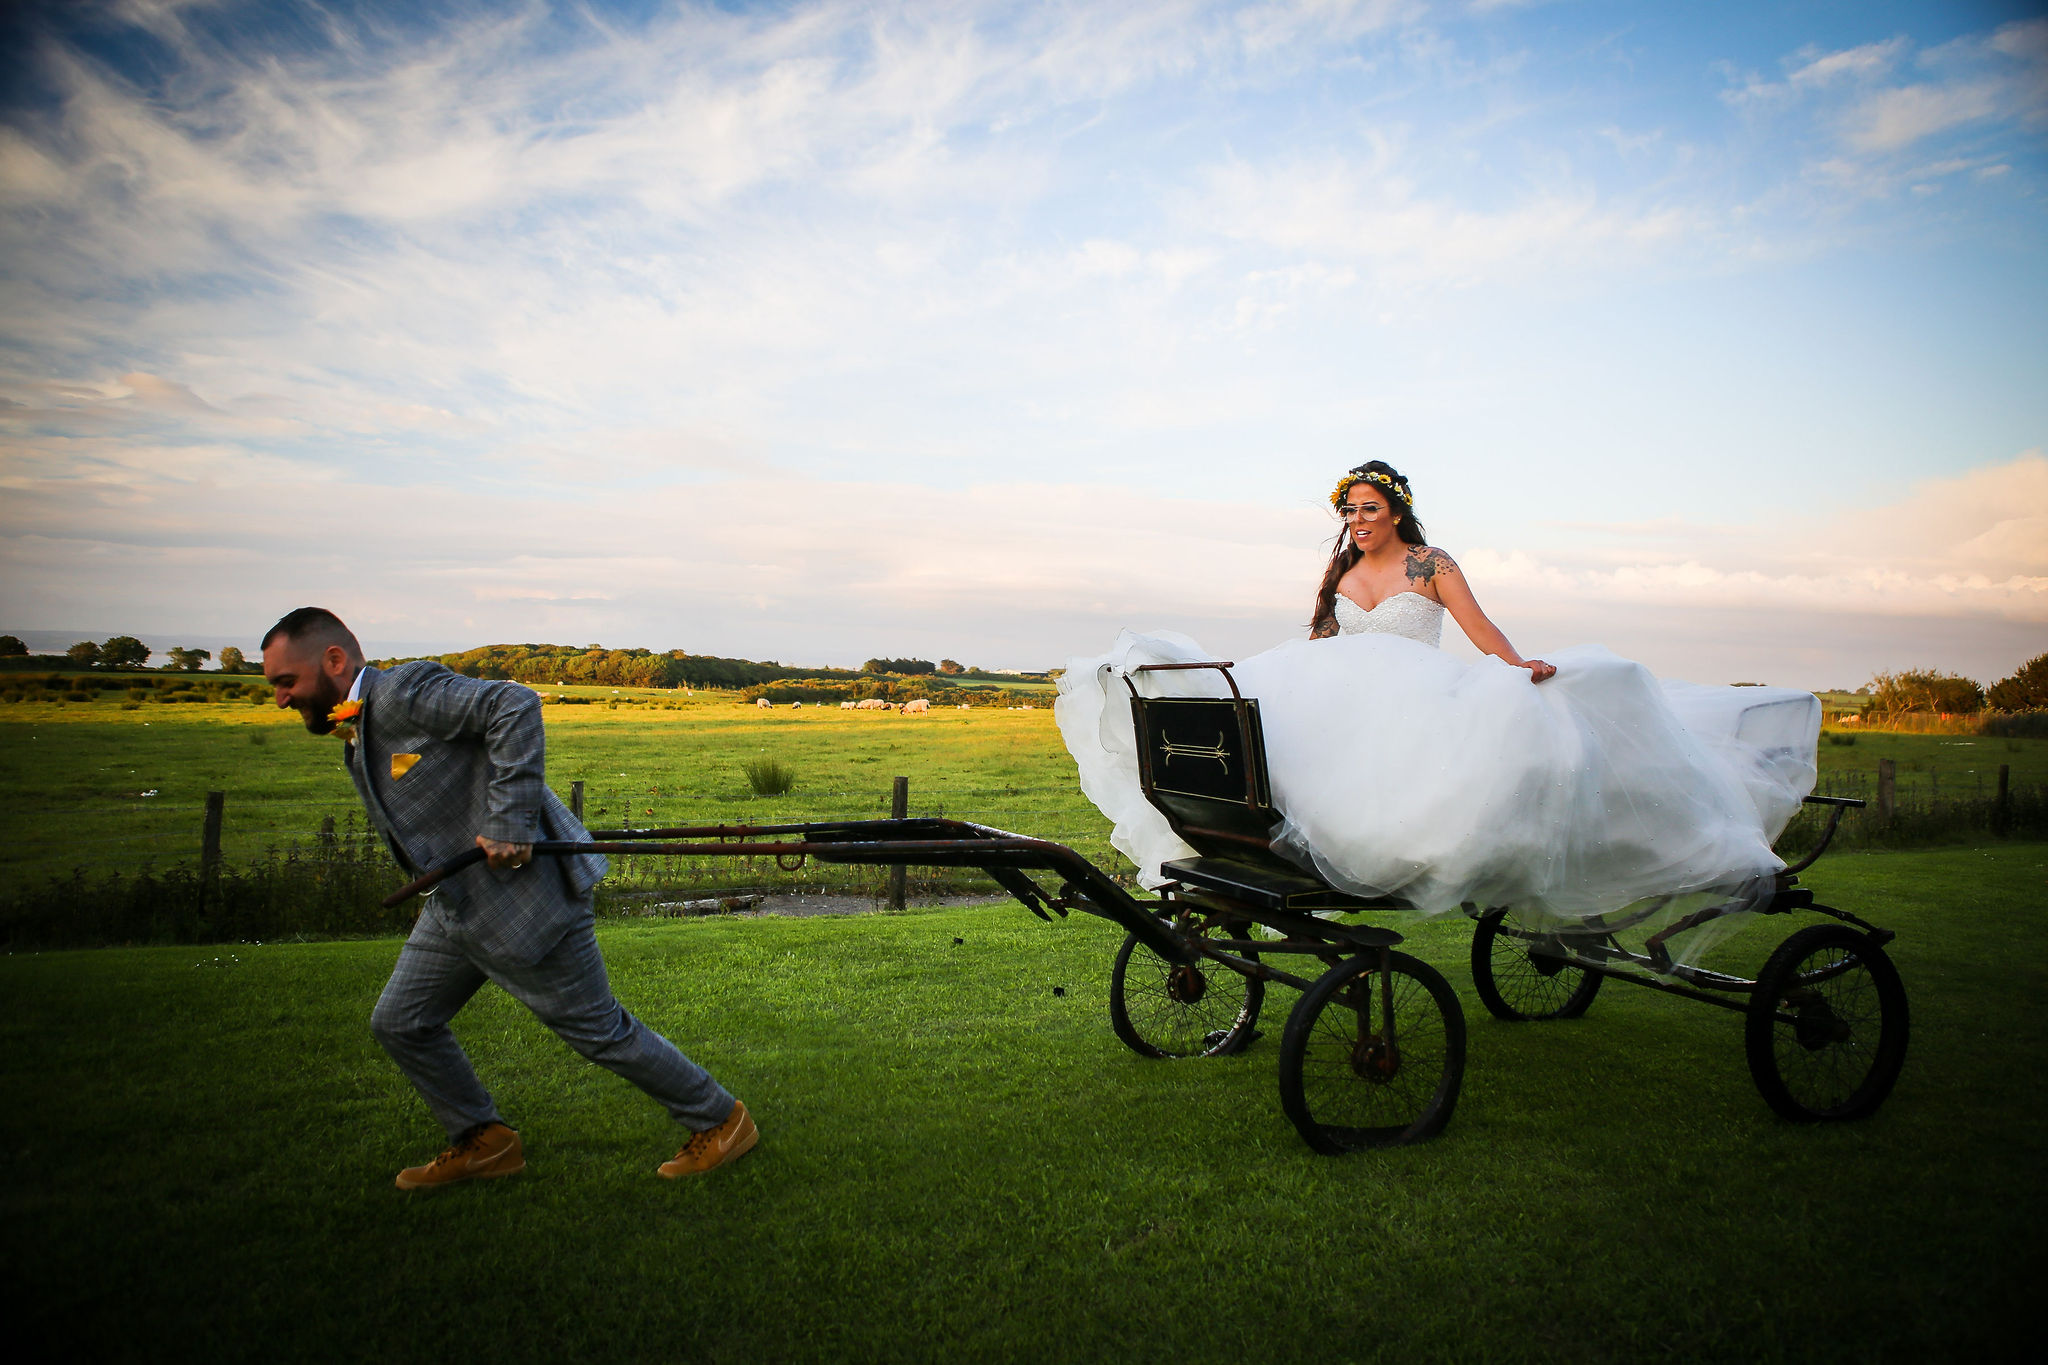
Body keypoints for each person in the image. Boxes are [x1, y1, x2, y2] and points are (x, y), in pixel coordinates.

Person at [1055, 462, 1820, 963]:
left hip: (1412, 695)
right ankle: (1260, 833)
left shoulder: (1432, 564)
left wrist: (1518, 667)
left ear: (1398, 510)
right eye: (1349, 509)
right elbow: (1321, 639)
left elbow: (1481, 630)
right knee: (1267, 721)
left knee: (1493, 742)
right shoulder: (1344, 568)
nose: (1358, 519)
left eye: (1370, 507)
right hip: (1345, 693)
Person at [260, 607, 756, 1190]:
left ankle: (720, 1119)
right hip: (457, 909)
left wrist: (511, 821)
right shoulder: (359, 720)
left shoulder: (402, 692)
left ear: (334, 661)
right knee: (402, 1021)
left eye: (285, 682)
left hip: (527, 902)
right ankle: (483, 1142)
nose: (281, 699)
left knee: (599, 1030)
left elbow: (512, 703)